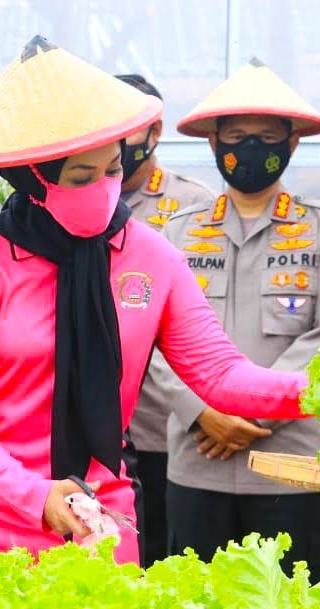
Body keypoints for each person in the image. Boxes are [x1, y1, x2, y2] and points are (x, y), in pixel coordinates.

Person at [0, 37, 309, 565]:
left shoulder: (149, 254)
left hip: (102, 512)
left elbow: (220, 374)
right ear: (33, 178)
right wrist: (34, 494)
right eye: (82, 177)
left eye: (113, 170)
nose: (103, 188)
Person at [158, 59, 320, 588]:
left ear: (291, 145)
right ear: (213, 143)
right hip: (196, 455)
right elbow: (149, 340)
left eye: (267, 138)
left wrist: (252, 408)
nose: (251, 149)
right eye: (238, 137)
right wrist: (201, 410)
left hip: (291, 467)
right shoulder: (172, 235)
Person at [113, 72, 216, 566]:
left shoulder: (194, 205)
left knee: (159, 555)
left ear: (154, 133)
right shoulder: (74, 196)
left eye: (129, 128)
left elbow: (197, 322)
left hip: (162, 423)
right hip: (95, 419)